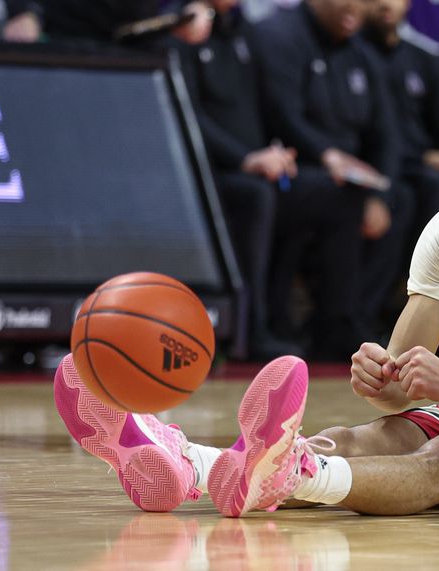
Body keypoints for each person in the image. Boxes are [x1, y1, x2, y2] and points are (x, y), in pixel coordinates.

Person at [54, 54, 439, 515]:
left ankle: (265, 472)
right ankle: (189, 464)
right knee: (357, 438)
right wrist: (381, 374)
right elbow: (398, 391)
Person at [250, 0, 404, 360]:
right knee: (342, 199)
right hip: (290, 168)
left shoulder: (362, 57)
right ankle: (337, 323)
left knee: (408, 196)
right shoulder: (281, 35)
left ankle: (359, 317)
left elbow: (388, 136)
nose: (354, 8)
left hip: (351, 179)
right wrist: (325, 155)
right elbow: (282, 114)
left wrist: (383, 194)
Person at [174, 0, 303, 360]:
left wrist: (281, 151)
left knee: (328, 196)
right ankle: (251, 329)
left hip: (260, 165)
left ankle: (313, 323)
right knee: (257, 196)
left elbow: (272, 104)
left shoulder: (247, 32)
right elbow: (187, 113)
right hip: (206, 172)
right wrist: (246, 159)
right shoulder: (181, 29)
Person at [361, 0, 439, 333]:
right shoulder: (356, 53)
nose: (386, 3)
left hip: (419, 168)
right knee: (417, 191)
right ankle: (387, 310)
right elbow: (378, 137)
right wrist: (430, 158)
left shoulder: (424, 57)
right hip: (380, 168)